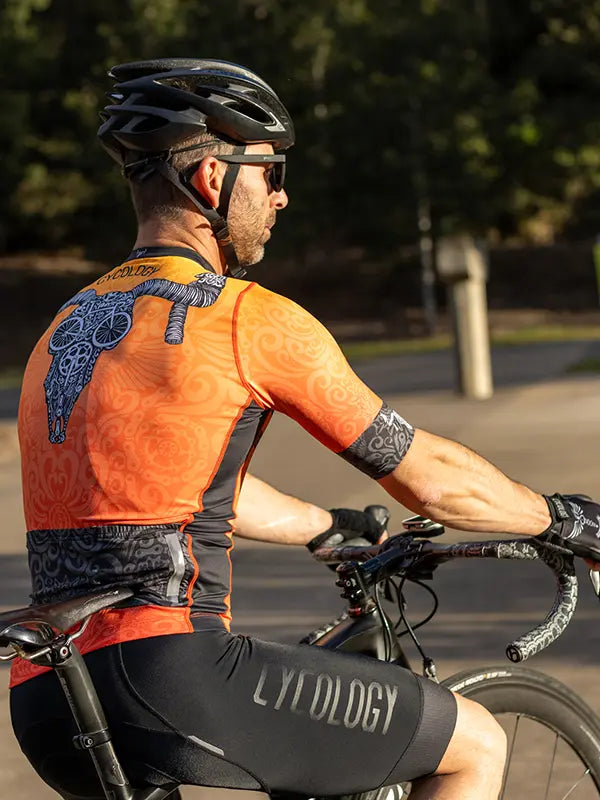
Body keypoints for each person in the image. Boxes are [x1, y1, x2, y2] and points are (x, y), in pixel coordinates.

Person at [10, 58, 600, 800]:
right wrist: (563, 518)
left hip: (47, 694)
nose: (282, 195)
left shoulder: (66, 327)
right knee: (475, 742)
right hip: (171, 678)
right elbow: (429, 479)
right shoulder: (246, 319)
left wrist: (325, 525)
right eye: (270, 170)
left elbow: (171, 485)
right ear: (212, 180)